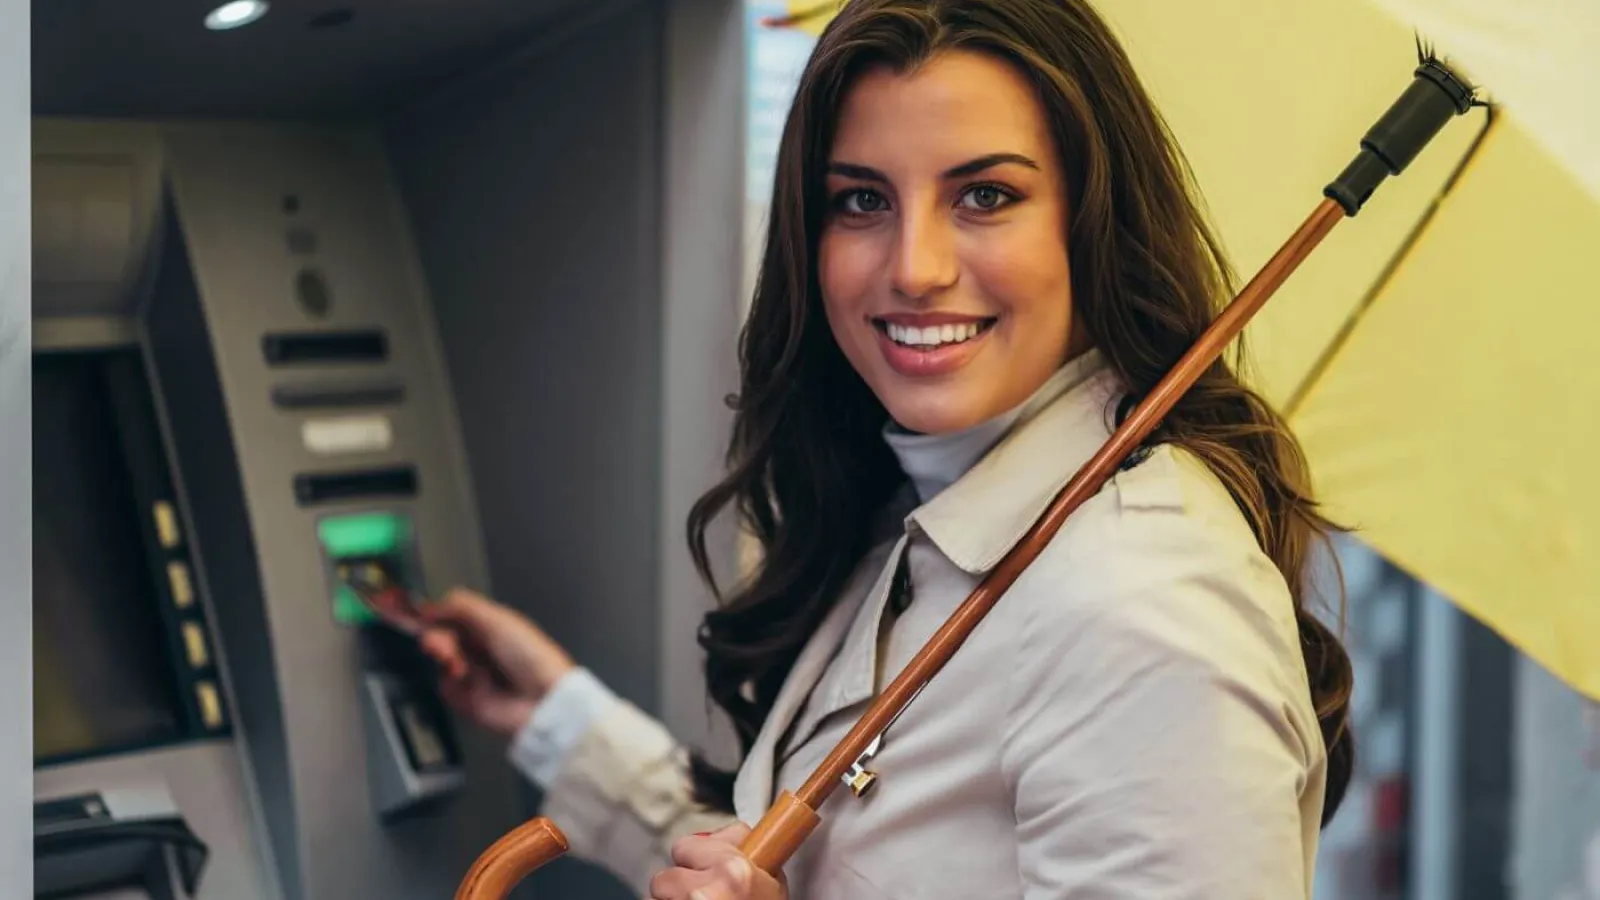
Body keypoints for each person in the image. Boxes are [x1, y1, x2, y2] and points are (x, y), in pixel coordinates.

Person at [418, 1, 1356, 897]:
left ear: (1088, 219)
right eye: (862, 200)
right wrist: (558, 720)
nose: (914, 267)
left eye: (985, 195)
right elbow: (796, 856)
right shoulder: (933, 505)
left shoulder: (1144, 610)